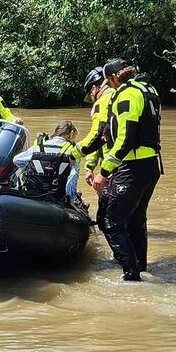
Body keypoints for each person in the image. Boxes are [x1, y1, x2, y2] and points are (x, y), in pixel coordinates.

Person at [90, 59, 162, 281]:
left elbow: (125, 139)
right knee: (136, 219)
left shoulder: (127, 94)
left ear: (112, 78)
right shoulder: (149, 89)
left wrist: (103, 172)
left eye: (107, 81)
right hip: (152, 164)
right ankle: (141, 268)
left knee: (111, 222)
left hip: (132, 166)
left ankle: (132, 277)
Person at [78, 65, 116, 231]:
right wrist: (90, 166)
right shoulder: (119, 94)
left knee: (107, 218)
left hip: (112, 165)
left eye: (91, 94)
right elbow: (99, 139)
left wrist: (73, 153)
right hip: (125, 163)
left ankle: (118, 256)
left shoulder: (102, 102)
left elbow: (96, 136)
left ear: (94, 88)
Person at [13, 120, 82, 203]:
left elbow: (16, 160)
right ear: (71, 133)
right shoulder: (73, 151)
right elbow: (73, 176)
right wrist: (72, 199)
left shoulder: (38, 147)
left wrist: (28, 168)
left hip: (33, 193)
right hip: (57, 196)